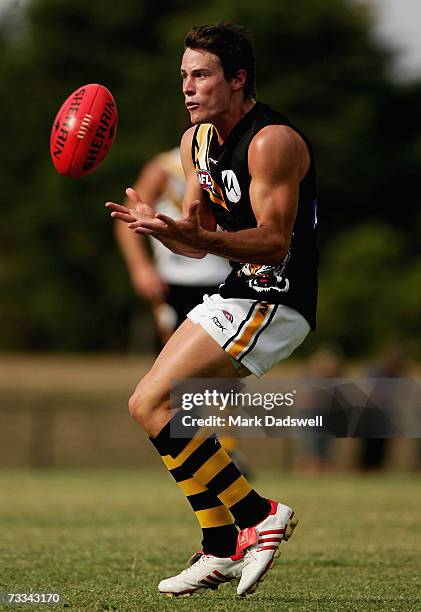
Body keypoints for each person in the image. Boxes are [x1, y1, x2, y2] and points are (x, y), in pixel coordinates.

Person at [106, 22, 318, 597]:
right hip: (236, 290)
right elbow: (200, 239)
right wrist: (165, 230)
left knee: (154, 401)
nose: (189, 88)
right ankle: (222, 547)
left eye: (201, 75)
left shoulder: (272, 140)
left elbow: (274, 240)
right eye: (184, 76)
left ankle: (258, 513)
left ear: (238, 79)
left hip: (276, 298)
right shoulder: (194, 142)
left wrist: (197, 239)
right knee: (149, 407)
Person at [115, 147, 230, 346]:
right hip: (174, 280)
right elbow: (127, 221)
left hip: (224, 279)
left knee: (216, 364)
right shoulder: (164, 168)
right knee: (174, 356)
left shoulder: (232, 162)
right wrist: (140, 268)